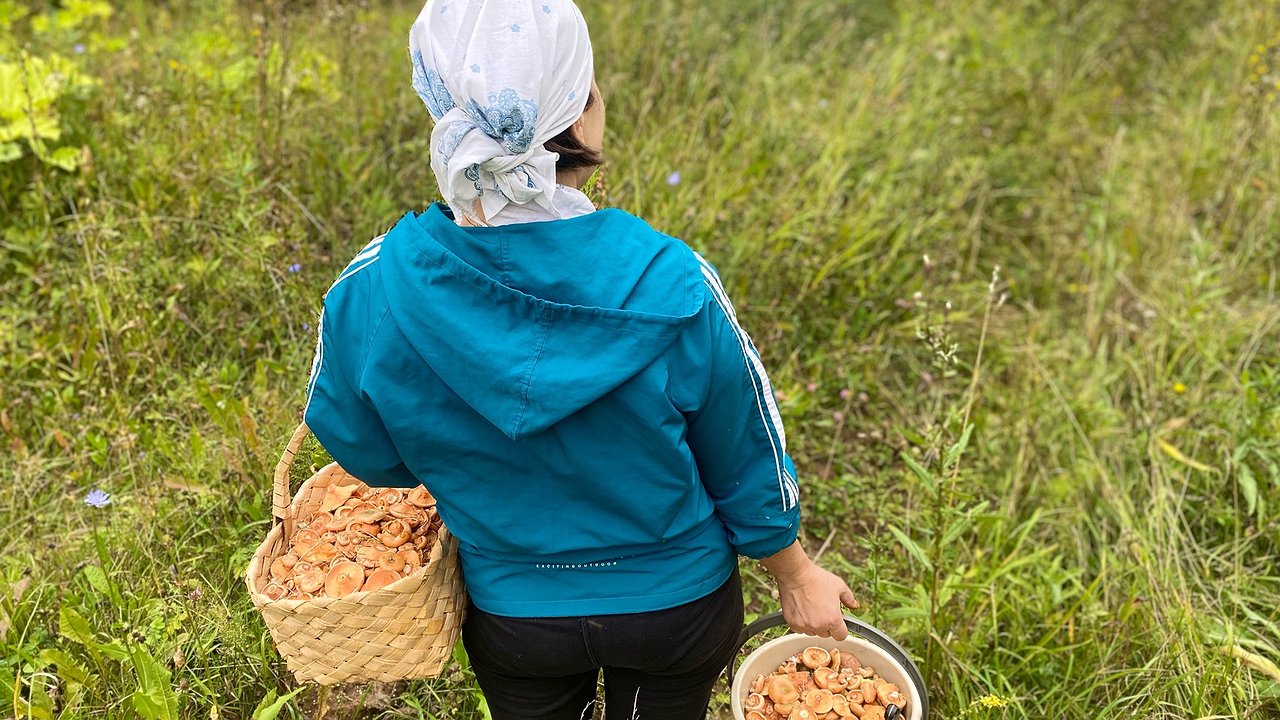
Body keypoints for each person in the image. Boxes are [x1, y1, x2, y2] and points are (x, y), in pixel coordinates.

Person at [302, 0, 859, 717]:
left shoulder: (372, 287)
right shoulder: (671, 278)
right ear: (583, 113)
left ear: (440, 110)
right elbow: (745, 443)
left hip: (515, 616)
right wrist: (793, 571)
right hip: (678, 606)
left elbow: (367, 452)